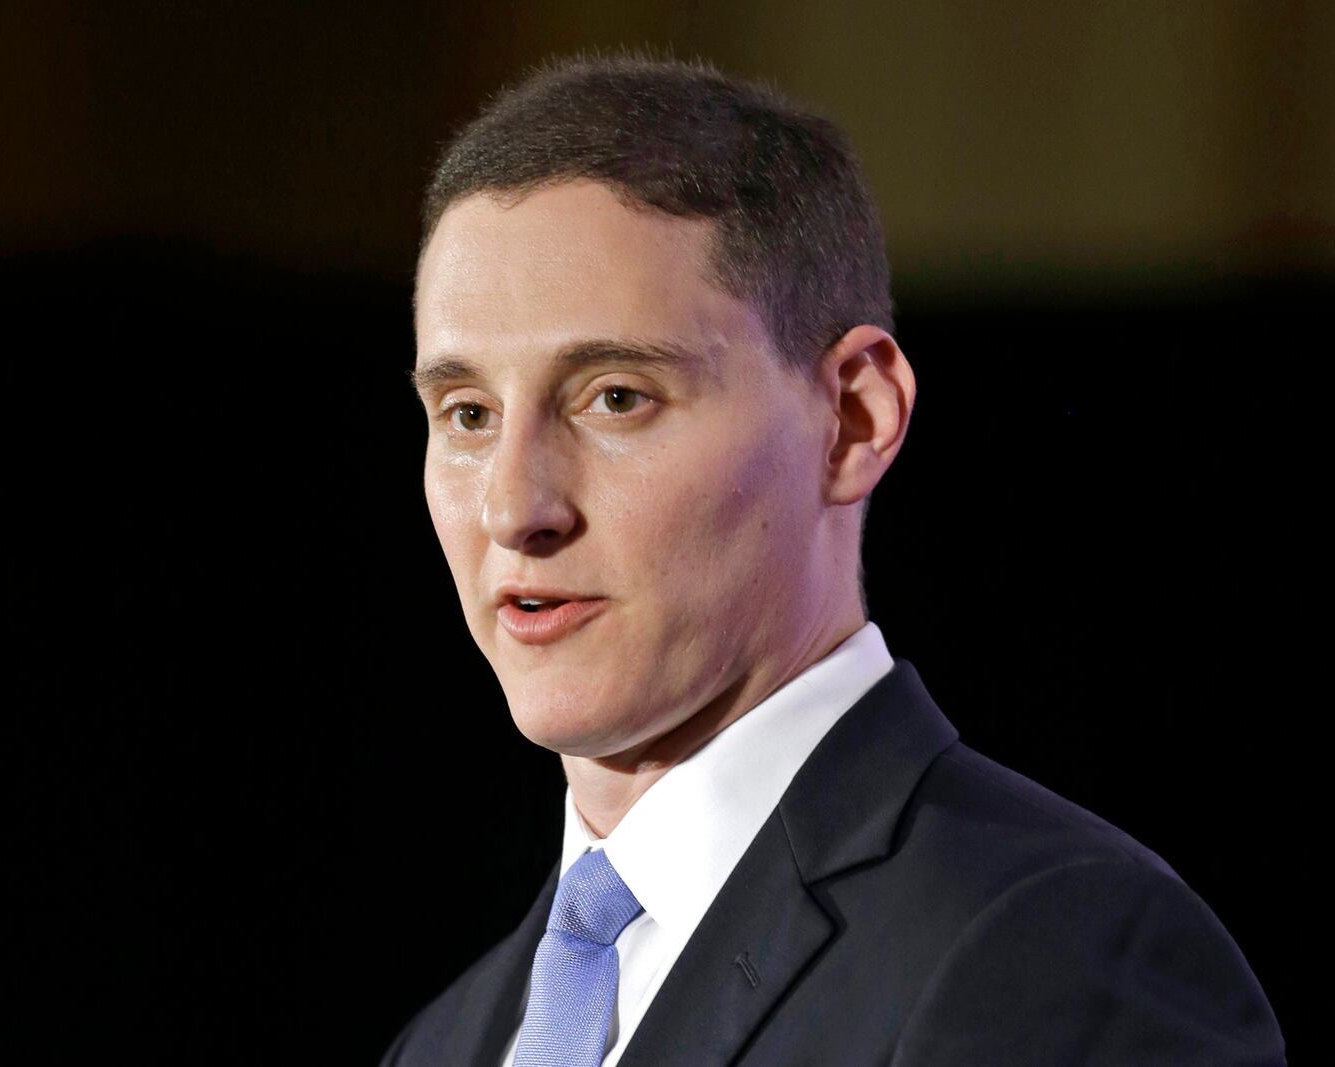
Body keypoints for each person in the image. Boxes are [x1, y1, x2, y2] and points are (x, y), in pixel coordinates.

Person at [384, 51, 1285, 1066]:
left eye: (615, 396)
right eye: (466, 413)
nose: (513, 505)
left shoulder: (1050, 946)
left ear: (854, 418)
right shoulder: (445, 1043)